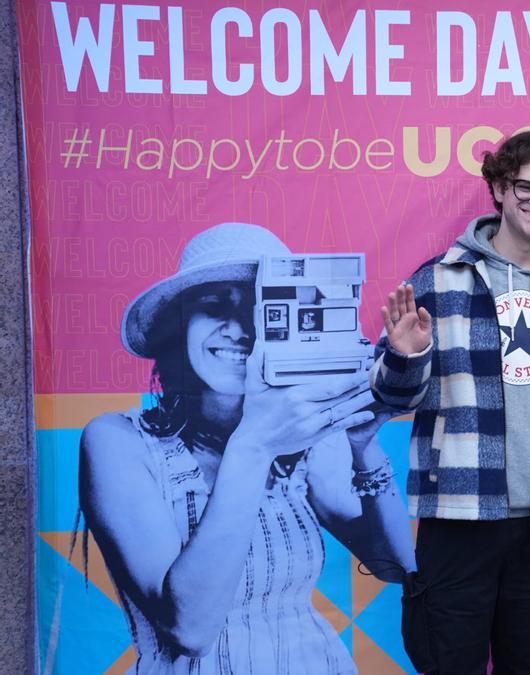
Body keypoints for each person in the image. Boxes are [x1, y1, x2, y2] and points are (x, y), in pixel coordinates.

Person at [79, 222, 416, 674]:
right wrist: (254, 445)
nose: (239, 329)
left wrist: (364, 444)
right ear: (180, 326)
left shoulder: (304, 437)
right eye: (214, 304)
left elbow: (396, 566)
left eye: (261, 308)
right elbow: (190, 629)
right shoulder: (118, 442)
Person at [370, 130, 530, 674]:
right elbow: (390, 398)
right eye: (525, 185)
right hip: (459, 516)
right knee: (448, 663)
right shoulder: (437, 280)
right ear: (500, 188)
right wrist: (406, 357)